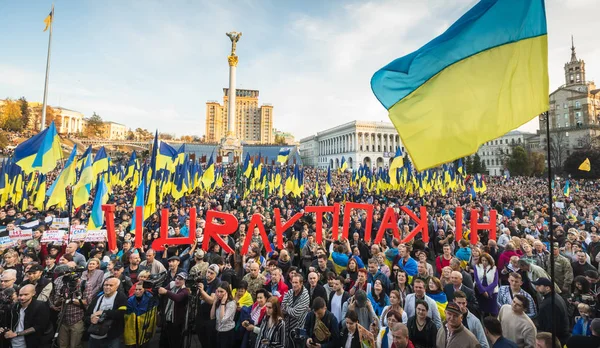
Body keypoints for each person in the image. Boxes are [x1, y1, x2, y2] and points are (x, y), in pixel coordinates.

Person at [85, 277, 128, 348]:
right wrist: (91, 319)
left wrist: (104, 312)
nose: (107, 287)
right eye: (106, 285)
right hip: (94, 336)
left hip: (111, 336)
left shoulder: (121, 297)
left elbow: (121, 314)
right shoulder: (98, 297)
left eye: (111, 285)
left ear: (116, 287)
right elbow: (86, 316)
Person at [532, 277, 570, 345]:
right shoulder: (554, 297)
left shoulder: (550, 303)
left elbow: (551, 325)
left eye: (539, 285)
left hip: (555, 339)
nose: (536, 287)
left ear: (547, 288)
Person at [158, 272, 189, 348]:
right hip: (167, 319)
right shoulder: (172, 285)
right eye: (177, 278)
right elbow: (161, 292)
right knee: (163, 342)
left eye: (181, 279)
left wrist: (166, 291)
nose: (178, 280)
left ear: (185, 281)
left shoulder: (185, 291)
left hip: (176, 322)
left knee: (175, 343)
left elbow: (177, 298)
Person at [124, 282, 158, 348]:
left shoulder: (150, 299)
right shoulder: (130, 300)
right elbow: (127, 317)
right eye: (136, 289)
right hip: (133, 327)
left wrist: (149, 330)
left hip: (144, 327)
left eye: (140, 289)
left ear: (144, 290)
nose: (137, 291)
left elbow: (152, 317)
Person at [281, 274, 310, 346]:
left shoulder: (305, 296)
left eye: (296, 282)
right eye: (293, 282)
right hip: (287, 328)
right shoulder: (290, 292)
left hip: (298, 331)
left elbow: (295, 313)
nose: (294, 285)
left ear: (301, 283)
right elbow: (282, 307)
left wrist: (287, 307)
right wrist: (288, 308)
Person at [211, 281, 237, 348]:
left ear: (227, 292)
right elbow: (212, 316)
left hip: (227, 332)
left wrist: (223, 303)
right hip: (218, 330)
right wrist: (214, 302)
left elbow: (222, 320)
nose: (219, 294)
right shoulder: (218, 301)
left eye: (222, 292)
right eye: (218, 291)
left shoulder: (231, 303)